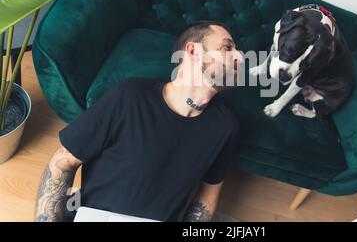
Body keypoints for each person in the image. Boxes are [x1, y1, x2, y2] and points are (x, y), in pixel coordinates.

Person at [34, 20, 244, 222]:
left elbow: (206, 198)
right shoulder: (129, 96)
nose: (241, 58)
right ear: (193, 51)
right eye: (227, 48)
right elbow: (63, 162)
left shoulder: (226, 126)